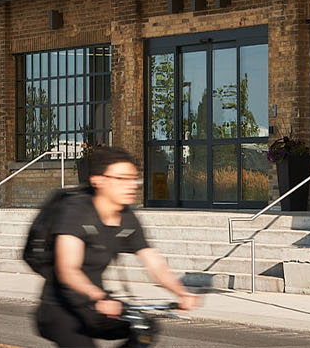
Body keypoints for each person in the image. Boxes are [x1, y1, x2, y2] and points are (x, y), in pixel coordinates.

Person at [35, 146, 200, 347]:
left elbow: (154, 263)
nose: (131, 185)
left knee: (143, 329)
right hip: (60, 309)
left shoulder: (127, 218)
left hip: (96, 307)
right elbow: (68, 270)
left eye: (133, 179)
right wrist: (99, 296)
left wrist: (180, 292)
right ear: (98, 180)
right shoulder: (76, 212)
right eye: (121, 179)